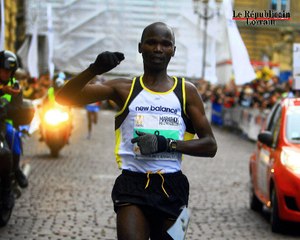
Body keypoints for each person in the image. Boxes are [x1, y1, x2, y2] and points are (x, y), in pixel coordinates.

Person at [56, 22, 217, 240]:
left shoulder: (187, 91)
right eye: (151, 42)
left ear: (173, 50)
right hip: (132, 185)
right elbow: (63, 98)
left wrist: (167, 144)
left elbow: (210, 145)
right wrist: (92, 70)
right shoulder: (123, 88)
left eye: (165, 44)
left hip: (175, 189)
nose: (158, 49)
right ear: (140, 47)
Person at [0, 50, 28, 189]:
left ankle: (15, 169)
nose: (6, 74)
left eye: (9, 71)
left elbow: (18, 107)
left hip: (6, 123)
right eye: (4, 70)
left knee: (13, 137)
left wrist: (5, 111)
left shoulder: (15, 86)